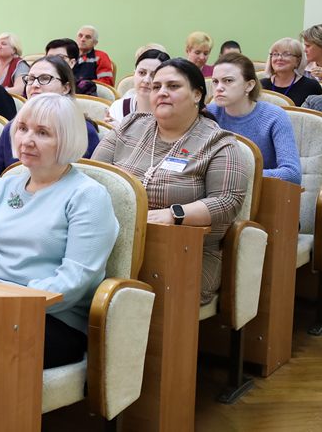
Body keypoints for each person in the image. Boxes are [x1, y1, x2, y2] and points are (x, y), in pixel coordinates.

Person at [0, 94, 118, 368]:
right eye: (22, 128)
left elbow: (75, 279)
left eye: (42, 133)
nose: (27, 140)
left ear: (67, 139)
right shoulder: (3, 187)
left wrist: (12, 304)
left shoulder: (88, 195)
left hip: (52, 319)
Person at [91, 58, 248, 304]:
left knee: (124, 298)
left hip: (184, 253)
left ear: (197, 94)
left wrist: (174, 214)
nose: (162, 92)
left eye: (173, 86)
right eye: (157, 87)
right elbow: (94, 176)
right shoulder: (131, 125)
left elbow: (228, 201)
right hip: (114, 241)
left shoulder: (218, 143)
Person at [0, 56, 101, 177]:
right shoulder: (12, 127)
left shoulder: (83, 130)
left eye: (45, 78)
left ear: (66, 88)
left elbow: (85, 178)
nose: (35, 85)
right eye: (31, 79)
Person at [207, 53, 301, 183]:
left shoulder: (275, 116)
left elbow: (292, 174)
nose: (219, 88)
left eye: (228, 81)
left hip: (261, 191)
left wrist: (236, 174)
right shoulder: (208, 113)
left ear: (249, 85)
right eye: (215, 81)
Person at [106, 49, 171, 126]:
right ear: (134, 74)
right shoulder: (119, 107)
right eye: (142, 73)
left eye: (154, 75)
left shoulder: (171, 113)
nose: (146, 80)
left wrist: (120, 130)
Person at [260, 37, 322, 106]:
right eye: (275, 54)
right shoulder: (260, 85)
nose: (279, 58)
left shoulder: (311, 86)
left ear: (298, 61)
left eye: (286, 54)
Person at [12, 38, 82, 97]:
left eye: (45, 78)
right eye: (49, 57)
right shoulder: (31, 84)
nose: (35, 85)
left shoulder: (83, 86)